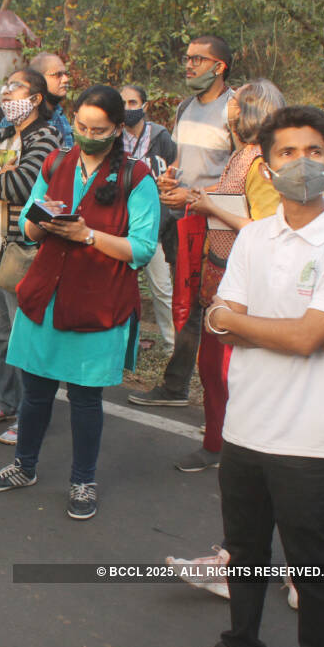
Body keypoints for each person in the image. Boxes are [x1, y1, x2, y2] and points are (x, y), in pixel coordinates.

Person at [167, 106, 324, 647]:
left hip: (309, 438)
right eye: (287, 153)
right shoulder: (254, 238)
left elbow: (304, 336)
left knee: (310, 562)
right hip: (245, 428)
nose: (302, 163)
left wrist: (256, 326)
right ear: (265, 165)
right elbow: (217, 317)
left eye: (314, 152)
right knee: (246, 554)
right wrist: (294, 333)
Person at [0, 85, 158, 521]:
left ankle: (83, 480)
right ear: (72, 121)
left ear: (116, 129)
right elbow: (29, 224)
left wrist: (88, 235)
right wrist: (43, 224)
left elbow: (143, 248)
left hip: (96, 303)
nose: (88, 134)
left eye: (99, 129)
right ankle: (24, 466)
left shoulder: (137, 177)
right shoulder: (58, 161)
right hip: (46, 295)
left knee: (85, 400)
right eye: (81, 125)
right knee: (36, 393)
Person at [173, 80, 285, 472]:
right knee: (212, 367)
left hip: (242, 282)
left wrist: (210, 207)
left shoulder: (260, 163)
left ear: (249, 112)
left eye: (234, 103)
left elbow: (266, 226)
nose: (227, 109)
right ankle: (219, 441)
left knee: (227, 370)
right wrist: (191, 199)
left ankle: (229, 447)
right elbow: (227, 202)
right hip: (218, 274)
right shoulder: (241, 156)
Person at [130, 34, 235, 408]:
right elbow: (180, 160)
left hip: (220, 229)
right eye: (187, 58)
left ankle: (220, 399)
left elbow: (243, 173)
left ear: (219, 67)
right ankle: (177, 388)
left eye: (197, 59)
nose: (188, 65)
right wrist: (170, 178)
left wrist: (195, 197)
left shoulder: (235, 109)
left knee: (215, 310)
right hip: (183, 222)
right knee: (185, 306)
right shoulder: (185, 107)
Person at [0, 69, 61, 444]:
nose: (7, 94)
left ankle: (31, 413)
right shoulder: (2, 134)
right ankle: (4, 402)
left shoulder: (46, 136)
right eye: (4, 87)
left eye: (15, 87)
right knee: (0, 333)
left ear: (35, 98)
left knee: (25, 335)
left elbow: (23, 184)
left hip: (21, 247)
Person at [119, 84, 178, 349]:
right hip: (122, 224)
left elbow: (173, 170)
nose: (128, 108)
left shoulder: (161, 137)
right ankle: (124, 342)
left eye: (133, 102)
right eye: (123, 103)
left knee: (162, 288)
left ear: (144, 105)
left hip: (155, 224)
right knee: (121, 287)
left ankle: (171, 346)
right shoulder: (115, 137)